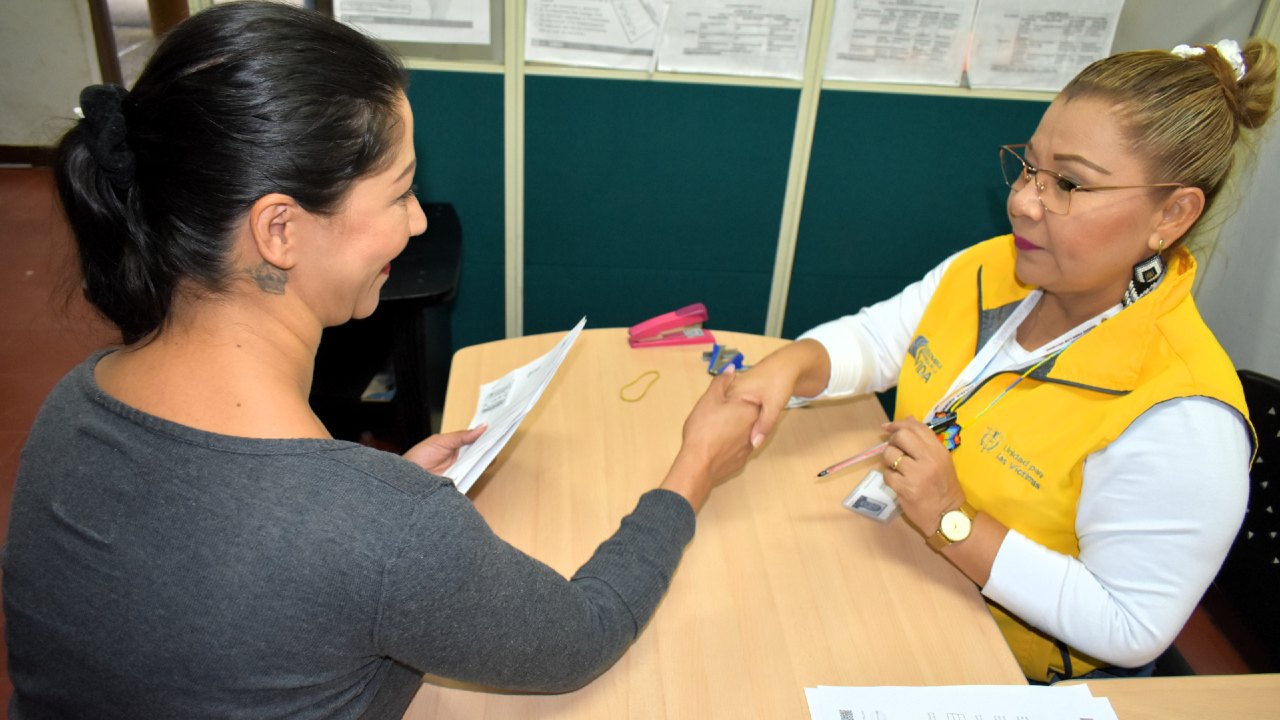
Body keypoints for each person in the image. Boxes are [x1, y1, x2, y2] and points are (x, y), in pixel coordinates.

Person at [2, 3, 758, 717]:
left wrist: (368, 498)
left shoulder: (74, 402)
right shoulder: (382, 531)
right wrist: (693, 469)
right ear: (281, 231)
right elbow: (583, 636)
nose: (420, 220)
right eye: (400, 193)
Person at [731, 38, 1275, 682]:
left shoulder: (1183, 412)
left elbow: (1130, 626)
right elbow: (880, 342)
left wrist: (953, 519)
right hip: (913, 582)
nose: (1023, 200)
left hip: (1013, 671)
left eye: (1068, 183)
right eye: (1029, 167)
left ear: (1172, 214)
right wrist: (790, 366)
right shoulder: (998, 266)